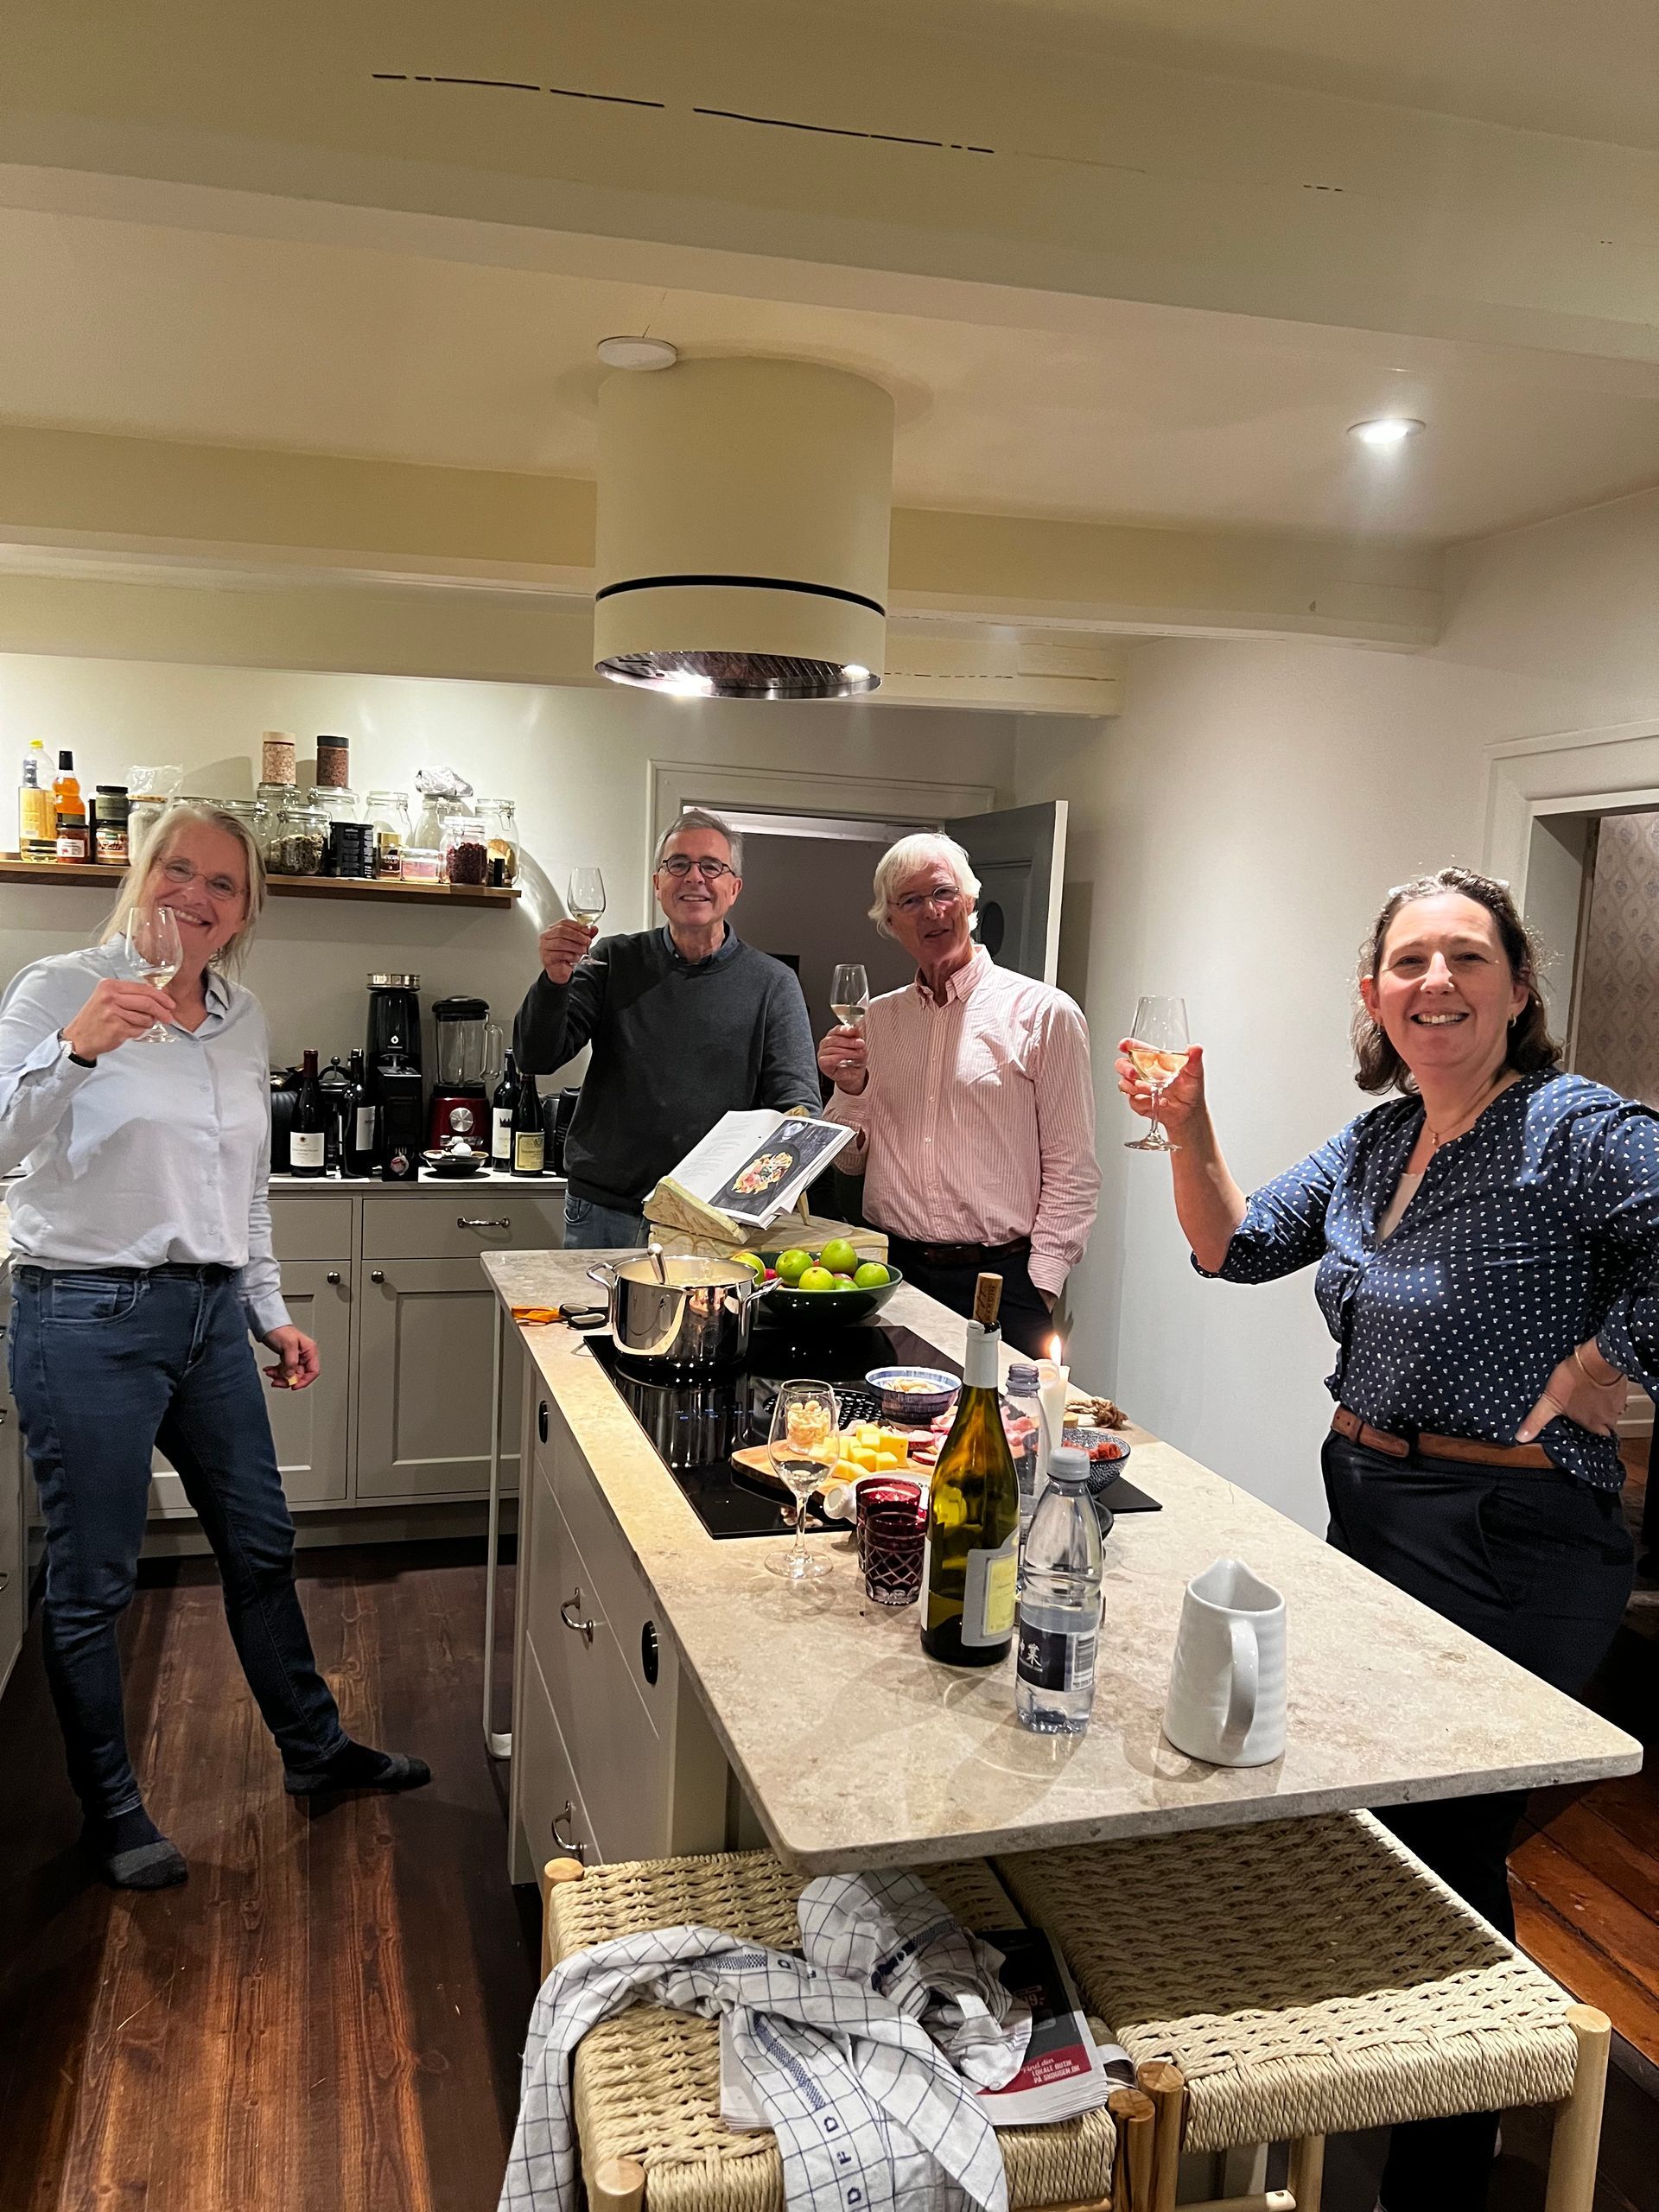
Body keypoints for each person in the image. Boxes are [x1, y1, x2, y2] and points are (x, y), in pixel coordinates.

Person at [1118, 866, 1643, 2212]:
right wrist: (1187, 1124)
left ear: (1517, 991)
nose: (1437, 982)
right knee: (1388, 1828)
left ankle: (1441, 2164)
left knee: (1448, 1840)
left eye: (1468, 958)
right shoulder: (1375, 1141)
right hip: (1371, 1512)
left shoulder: (1568, 1128)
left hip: (1516, 1535)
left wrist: (1604, 1366)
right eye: (1410, 961)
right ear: (1374, 994)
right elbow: (1235, 1249)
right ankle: (1375, 2090)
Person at [0, 804, 429, 1892]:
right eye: (178, 871)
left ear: (244, 913)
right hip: (84, 1314)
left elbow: (245, 1191)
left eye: (223, 885)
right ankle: (112, 1810)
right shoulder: (59, 989)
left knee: (261, 1542)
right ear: (142, 876)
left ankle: (314, 1748)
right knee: (95, 1577)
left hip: (208, 1316)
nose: (195, 896)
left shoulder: (242, 1019)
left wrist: (268, 1309)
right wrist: (76, 1049)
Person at [818, 833, 1098, 1358]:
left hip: (1002, 1279)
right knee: (890, 1412)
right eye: (910, 900)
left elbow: (1073, 1170)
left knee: (1005, 1414)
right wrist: (851, 1089)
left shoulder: (1045, 1013)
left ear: (970, 901)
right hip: (891, 1275)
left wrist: (1041, 1284)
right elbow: (850, 1163)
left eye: (943, 892)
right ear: (890, 921)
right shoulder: (878, 1020)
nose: (932, 911)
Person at [515, 810, 820, 1249]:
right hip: (605, 1212)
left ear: (734, 888)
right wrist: (554, 981)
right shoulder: (611, 960)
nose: (694, 877)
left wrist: (759, 1195)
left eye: (711, 866)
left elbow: (798, 1107)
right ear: (658, 884)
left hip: (712, 1222)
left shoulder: (773, 983)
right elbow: (536, 1057)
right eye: (679, 864)